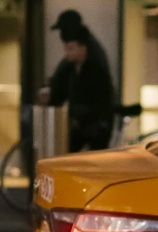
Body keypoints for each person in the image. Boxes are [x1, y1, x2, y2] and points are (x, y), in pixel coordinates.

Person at [45, 9, 115, 152]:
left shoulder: (94, 63)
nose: (66, 52)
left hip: (94, 125)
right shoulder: (76, 61)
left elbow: (99, 102)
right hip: (84, 123)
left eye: (70, 48)